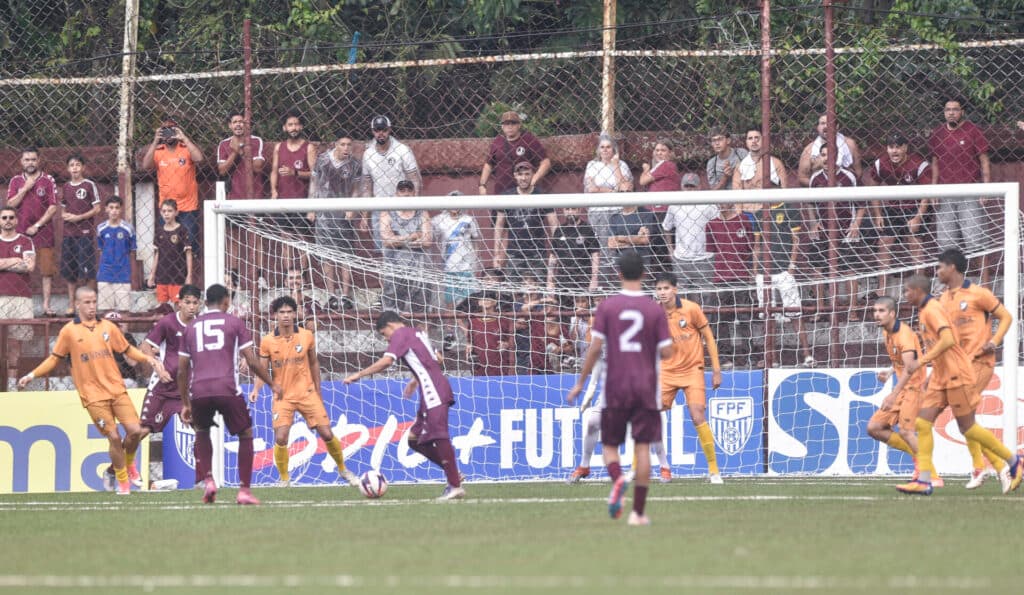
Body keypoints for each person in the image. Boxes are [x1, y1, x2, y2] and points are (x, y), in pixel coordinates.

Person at [17, 286, 168, 495]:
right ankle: (122, 482)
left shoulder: (108, 327)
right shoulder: (69, 331)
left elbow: (127, 349)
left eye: (94, 302)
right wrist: (31, 375)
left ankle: (129, 463)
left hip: (117, 390)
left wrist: (148, 359)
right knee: (114, 437)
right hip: (93, 396)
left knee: (134, 432)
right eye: (87, 302)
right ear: (77, 304)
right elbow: (54, 359)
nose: (91, 306)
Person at [567, 253, 673, 526]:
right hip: (645, 384)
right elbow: (667, 351)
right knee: (642, 447)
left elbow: (595, 347)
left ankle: (617, 480)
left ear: (618, 274)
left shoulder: (607, 307)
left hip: (616, 383)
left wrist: (581, 381)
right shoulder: (653, 310)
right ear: (645, 275)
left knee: (610, 444)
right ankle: (638, 513)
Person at [895, 275, 1022, 495]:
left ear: (917, 290)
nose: (904, 295)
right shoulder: (934, 306)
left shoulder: (942, 306)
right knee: (923, 424)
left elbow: (948, 340)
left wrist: (922, 362)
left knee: (967, 425)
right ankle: (926, 480)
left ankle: (1008, 461)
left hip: (963, 370)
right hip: (942, 373)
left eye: (907, 290)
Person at [344, 311, 465, 500]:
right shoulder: (417, 332)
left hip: (433, 389)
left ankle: (454, 485)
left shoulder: (400, 334)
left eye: (385, 334)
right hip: (431, 388)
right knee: (413, 439)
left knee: (439, 434)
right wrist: (414, 380)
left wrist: (358, 375)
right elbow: (436, 360)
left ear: (390, 326)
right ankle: (452, 474)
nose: (387, 339)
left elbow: (387, 361)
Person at [178, 284, 280, 505]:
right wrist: (273, 384)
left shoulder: (191, 327)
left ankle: (208, 480)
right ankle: (244, 490)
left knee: (202, 431)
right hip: (227, 388)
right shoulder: (234, 323)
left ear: (204, 303)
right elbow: (252, 361)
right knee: (245, 433)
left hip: (199, 390)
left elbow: (182, 369)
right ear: (226, 302)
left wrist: (185, 403)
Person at [250, 296, 359, 487]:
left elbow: (314, 363)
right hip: (283, 396)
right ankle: (284, 479)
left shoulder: (306, 335)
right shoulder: (267, 341)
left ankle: (343, 469)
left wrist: (318, 390)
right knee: (281, 437)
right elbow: (261, 369)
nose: (285, 316)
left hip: (307, 393)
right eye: (281, 312)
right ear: (275, 315)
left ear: (295, 314)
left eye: (289, 312)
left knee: (326, 433)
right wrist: (256, 389)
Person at [935, 248, 1013, 491]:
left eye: (940, 267)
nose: (937, 271)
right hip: (957, 366)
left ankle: (996, 466)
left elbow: (1006, 316)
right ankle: (993, 466)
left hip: (979, 362)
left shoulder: (978, 294)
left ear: (952, 268)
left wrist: (994, 341)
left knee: (963, 418)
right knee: (964, 420)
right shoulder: (943, 299)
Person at [654, 274, 724, 484]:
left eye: (666, 288)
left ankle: (714, 471)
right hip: (666, 372)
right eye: (659, 289)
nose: (663, 292)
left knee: (697, 415)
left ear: (675, 289)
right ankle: (649, 467)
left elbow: (709, 337)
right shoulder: (654, 313)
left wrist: (716, 369)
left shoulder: (691, 308)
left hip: (693, 370)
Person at [129, 285, 203, 480]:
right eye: (187, 302)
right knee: (141, 431)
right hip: (162, 389)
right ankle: (117, 468)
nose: (191, 306)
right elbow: (145, 346)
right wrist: (157, 366)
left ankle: (202, 478)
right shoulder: (168, 323)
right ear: (179, 303)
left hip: (185, 392)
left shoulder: (201, 327)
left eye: (195, 302)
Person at [866, 296, 935, 483]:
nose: (876, 315)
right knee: (874, 428)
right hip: (903, 386)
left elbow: (911, 367)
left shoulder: (903, 334)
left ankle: (931, 476)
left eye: (881, 311)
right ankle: (919, 457)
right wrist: (889, 372)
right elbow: (900, 360)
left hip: (914, 387)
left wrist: (892, 394)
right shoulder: (887, 331)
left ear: (892, 313)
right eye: (875, 311)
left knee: (906, 431)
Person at [928, 99, 992, 284]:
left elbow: (984, 160)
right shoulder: (938, 133)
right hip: (945, 194)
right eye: (948, 110)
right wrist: (933, 190)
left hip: (969, 192)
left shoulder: (973, 131)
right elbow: (934, 163)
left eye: (955, 110)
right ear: (943, 112)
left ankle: (986, 287)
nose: (951, 113)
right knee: (947, 247)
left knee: (977, 243)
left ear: (962, 112)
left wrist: (985, 188)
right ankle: (952, 289)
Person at [862, 133, 931, 297]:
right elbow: (873, 188)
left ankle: (918, 288)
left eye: (898, 147)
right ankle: (882, 288)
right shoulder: (881, 164)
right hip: (892, 207)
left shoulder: (919, 164)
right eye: (891, 147)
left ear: (905, 147)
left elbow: (927, 194)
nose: (895, 151)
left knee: (914, 241)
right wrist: (878, 214)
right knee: (884, 241)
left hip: (914, 207)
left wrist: (918, 217)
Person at [806, 144, 869, 318]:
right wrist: (813, 223)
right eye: (823, 155)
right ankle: (820, 310)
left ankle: (852, 311)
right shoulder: (815, 179)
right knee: (816, 269)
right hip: (824, 230)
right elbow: (809, 203)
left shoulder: (849, 177)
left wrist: (856, 224)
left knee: (850, 270)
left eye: (830, 154)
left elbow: (862, 204)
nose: (826, 158)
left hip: (846, 230)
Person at [752, 198, 815, 367]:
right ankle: (771, 357)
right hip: (764, 274)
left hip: (784, 271)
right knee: (768, 316)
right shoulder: (758, 214)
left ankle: (807, 355)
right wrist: (755, 269)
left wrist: (792, 266)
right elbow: (757, 244)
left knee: (795, 313)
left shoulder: (790, 209)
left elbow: (796, 240)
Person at [310, 129, 364, 310]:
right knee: (327, 256)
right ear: (335, 145)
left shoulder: (355, 164)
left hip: (344, 217)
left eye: (349, 144)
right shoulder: (323, 160)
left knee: (345, 256)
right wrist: (311, 207)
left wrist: (352, 206)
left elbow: (357, 189)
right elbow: (314, 184)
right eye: (343, 144)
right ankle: (331, 295)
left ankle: (346, 295)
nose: (346, 147)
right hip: (324, 214)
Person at [5, 147, 58, 316]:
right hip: (20, 233)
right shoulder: (15, 181)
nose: (30, 163)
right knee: (19, 267)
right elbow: (10, 205)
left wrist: (37, 225)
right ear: (21, 162)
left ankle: (46, 306)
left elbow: (53, 207)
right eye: (27, 159)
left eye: (33, 159)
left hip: (44, 231)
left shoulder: (48, 180)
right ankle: (20, 301)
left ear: (39, 160)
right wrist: (25, 188)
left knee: (46, 271)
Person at [704, 203, 756, 367]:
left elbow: (751, 247)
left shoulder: (744, 220)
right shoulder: (711, 225)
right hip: (720, 278)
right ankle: (724, 357)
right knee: (719, 318)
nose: (722, 205)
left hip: (741, 276)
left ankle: (749, 356)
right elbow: (712, 249)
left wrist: (751, 272)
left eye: (725, 201)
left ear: (732, 202)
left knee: (744, 317)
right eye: (719, 202)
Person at [140, 118, 203, 252]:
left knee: (189, 245)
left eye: (171, 129)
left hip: (188, 206)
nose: (168, 133)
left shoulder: (185, 149)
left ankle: (189, 272)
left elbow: (199, 158)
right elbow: (145, 165)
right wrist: (155, 140)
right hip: (167, 208)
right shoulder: (158, 151)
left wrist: (183, 137)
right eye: (165, 130)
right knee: (167, 246)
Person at [361, 115, 422, 248]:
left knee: (406, 248)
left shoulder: (402, 150)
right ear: (372, 131)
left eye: (383, 129)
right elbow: (367, 186)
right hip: (379, 207)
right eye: (377, 130)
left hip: (402, 206)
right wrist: (365, 216)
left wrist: (414, 206)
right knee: (383, 250)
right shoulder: (368, 154)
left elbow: (415, 179)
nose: (380, 133)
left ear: (389, 130)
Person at [432, 193, 482, 345]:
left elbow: (476, 242)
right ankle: (449, 333)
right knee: (450, 303)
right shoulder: (438, 220)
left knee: (470, 303)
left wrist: (475, 262)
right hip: (449, 268)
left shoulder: (468, 220)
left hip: (467, 267)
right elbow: (431, 238)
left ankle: (472, 334)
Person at [494, 161, 556, 282]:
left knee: (538, 290)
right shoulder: (507, 196)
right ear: (515, 176)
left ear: (533, 174)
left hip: (537, 253)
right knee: (514, 292)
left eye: (527, 174)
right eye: (520, 174)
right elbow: (499, 225)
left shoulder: (541, 195)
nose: (524, 178)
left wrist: (555, 251)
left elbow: (554, 225)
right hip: (514, 253)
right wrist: (497, 253)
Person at [584, 134, 633, 284]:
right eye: (602, 147)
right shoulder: (592, 165)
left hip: (617, 212)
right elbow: (591, 188)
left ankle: (621, 284)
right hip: (598, 212)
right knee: (602, 252)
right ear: (598, 150)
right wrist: (613, 191)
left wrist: (616, 165)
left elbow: (625, 188)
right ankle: (604, 285)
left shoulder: (622, 165)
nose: (605, 150)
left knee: (618, 248)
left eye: (608, 147)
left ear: (614, 149)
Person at [379, 182, 432, 314]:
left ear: (414, 193)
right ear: (397, 194)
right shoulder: (387, 213)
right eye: (402, 190)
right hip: (394, 268)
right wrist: (413, 236)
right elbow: (386, 241)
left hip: (419, 269)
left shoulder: (422, 213)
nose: (406, 193)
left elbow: (427, 241)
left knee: (421, 311)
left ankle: (422, 334)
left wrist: (397, 239)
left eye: (409, 190)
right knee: (392, 311)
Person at [59, 154, 101, 316]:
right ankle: (72, 305)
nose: (75, 168)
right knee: (70, 271)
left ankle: (89, 304)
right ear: (68, 168)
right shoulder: (66, 187)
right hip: (69, 234)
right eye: (72, 165)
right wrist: (65, 215)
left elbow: (97, 208)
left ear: (83, 167)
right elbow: (62, 208)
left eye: (78, 165)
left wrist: (79, 217)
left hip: (85, 234)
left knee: (88, 271)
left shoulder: (89, 185)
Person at [662, 174, 718, 289]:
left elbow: (719, 227)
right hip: (681, 258)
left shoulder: (709, 205)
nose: (689, 189)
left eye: (692, 186)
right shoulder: (674, 205)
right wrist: (670, 250)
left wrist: (716, 250)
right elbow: (666, 228)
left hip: (704, 258)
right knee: (681, 298)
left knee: (706, 296)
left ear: (699, 187)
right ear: (682, 187)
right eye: (686, 186)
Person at [0, 206, 36, 379]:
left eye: (11, 217)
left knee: (15, 344)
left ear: (16, 220)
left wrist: (2, 264)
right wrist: (15, 260)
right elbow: (21, 263)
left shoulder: (25, 241)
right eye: (4, 217)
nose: (7, 220)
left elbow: (29, 266)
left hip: (21, 297)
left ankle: (13, 382)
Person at [478, 110, 550, 195]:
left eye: (513, 123)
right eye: (507, 124)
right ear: (502, 126)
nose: (510, 126)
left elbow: (545, 162)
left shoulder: (528, 139)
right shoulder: (498, 141)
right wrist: (482, 184)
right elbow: (489, 164)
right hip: (502, 191)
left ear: (519, 125)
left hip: (524, 191)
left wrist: (534, 180)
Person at [147, 199, 193, 311]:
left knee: (178, 306)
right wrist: (152, 275)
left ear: (176, 212)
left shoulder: (182, 230)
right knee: (162, 308)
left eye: (170, 211)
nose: (166, 214)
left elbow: (188, 254)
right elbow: (157, 255)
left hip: (178, 275)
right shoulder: (159, 231)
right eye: (164, 211)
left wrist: (189, 275)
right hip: (162, 275)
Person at [797, 113, 863, 187]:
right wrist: (821, 185)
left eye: (829, 123)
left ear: (837, 126)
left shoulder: (850, 144)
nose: (826, 126)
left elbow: (858, 172)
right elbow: (802, 178)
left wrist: (844, 184)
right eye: (822, 123)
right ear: (817, 127)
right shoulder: (809, 150)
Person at [547, 206, 601, 294]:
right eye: (567, 209)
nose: (570, 212)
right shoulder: (559, 230)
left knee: (583, 306)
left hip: (583, 278)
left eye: (573, 209)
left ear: (579, 210)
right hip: (563, 279)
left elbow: (595, 255)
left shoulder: (588, 229)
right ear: (563, 211)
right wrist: (550, 281)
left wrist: (594, 279)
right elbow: (553, 256)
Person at [96, 197, 136, 314]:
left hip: (122, 274)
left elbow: (131, 251)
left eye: (117, 208)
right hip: (105, 274)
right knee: (105, 311)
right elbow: (101, 250)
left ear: (121, 209)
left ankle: (123, 333)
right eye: (111, 208)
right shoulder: (101, 228)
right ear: (106, 209)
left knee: (123, 311)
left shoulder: (128, 229)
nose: (114, 211)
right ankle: (107, 333)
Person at [217, 110, 267, 199]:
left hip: (255, 194)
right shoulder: (224, 144)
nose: (238, 125)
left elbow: (257, 168)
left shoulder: (256, 141)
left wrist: (241, 152)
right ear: (230, 125)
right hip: (234, 195)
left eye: (241, 122)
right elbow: (222, 171)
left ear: (246, 124)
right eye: (235, 122)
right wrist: (235, 152)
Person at [608, 204, 660, 273]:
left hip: (641, 260)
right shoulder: (614, 217)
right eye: (621, 192)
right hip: (621, 261)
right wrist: (636, 239)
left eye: (628, 192)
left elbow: (644, 240)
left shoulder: (645, 214)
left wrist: (620, 238)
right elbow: (611, 245)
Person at [733, 126, 788, 191]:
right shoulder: (740, 166)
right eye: (750, 138)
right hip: (748, 201)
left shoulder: (776, 163)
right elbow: (737, 194)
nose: (754, 141)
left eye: (757, 137)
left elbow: (784, 191)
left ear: (764, 140)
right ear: (746, 143)